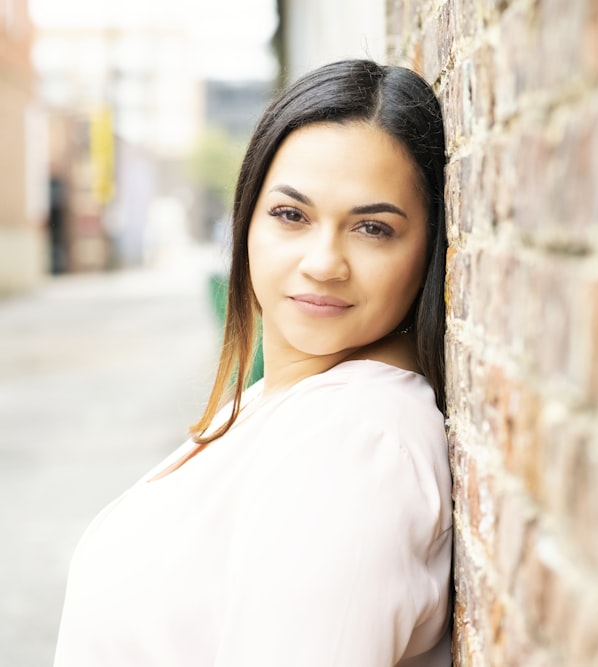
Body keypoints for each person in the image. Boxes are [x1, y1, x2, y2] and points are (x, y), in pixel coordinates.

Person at [53, 60, 452, 666]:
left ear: (428, 248)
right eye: (291, 215)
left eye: (372, 228)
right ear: (246, 222)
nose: (324, 262)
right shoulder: (289, 403)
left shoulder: (354, 445)